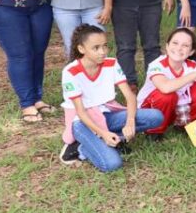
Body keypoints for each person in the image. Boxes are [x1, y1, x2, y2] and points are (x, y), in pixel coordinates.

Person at [57, 25, 164, 171]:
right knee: (112, 164)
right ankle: (80, 148)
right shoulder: (70, 72)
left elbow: (130, 96)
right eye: (96, 48)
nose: (102, 52)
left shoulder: (111, 63)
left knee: (156, 116)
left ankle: (105, 139)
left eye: (105, 46)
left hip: (106, 114)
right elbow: (81, 112)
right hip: (82, 122)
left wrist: (130, 122)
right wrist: (103, 133)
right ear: (81, 49)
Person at [136, 28, 196, 139]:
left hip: (174, 107)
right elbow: (165, 88)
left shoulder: (192, 66)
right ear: (167, 46)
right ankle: (154, 131)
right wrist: (193, 76)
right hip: (150, 109)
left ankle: (185, 124)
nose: (179, 48)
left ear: (191, 52)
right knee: (167, 96)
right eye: (175, 43)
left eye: (185, 45)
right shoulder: (157, 64)